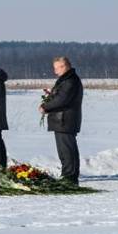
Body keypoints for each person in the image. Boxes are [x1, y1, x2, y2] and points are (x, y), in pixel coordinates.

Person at [40, 56, 84, 184]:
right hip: (61, 120)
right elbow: (60, 97)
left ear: (64, 66)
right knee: (64, 151)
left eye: (56, 68)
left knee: (67, 150)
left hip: (65, 120)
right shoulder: (66, 80)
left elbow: (62, 99)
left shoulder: (70, 81)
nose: (55, 71)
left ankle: (70, 176)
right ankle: (67, 174)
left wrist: (45, 106)